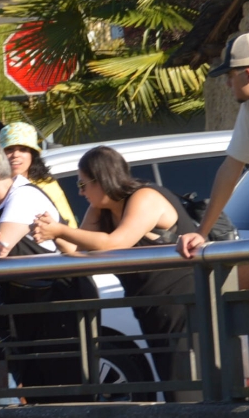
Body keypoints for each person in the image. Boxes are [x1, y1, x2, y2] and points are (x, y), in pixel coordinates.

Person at [31, 145, 199, 387]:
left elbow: (114, 242)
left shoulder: (145, 197)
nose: (80, 192)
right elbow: (79, 252)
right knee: (172, 385)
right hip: (149, 307)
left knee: (188, 383)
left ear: (101, 179)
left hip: (184, 303)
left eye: (82, 184)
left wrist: (60, 229)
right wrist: (52, 233)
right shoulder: (100, 209)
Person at [0, 140, 97, 396]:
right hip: (26, 303)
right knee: (35, 388)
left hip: (59, 300)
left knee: (65, 389)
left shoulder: (24, 195)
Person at [177, 33, 249, 328]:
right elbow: (231, 169)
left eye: (229, 76)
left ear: (247, 73)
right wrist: (203, 232)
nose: (226, 84)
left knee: (234, 281)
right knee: (234, 286)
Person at [0, 122, 77, 229]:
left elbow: (70, 228)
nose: (15, 155)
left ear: (33, 154)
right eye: (9, 149)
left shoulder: (47, 185)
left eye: (23, 149)